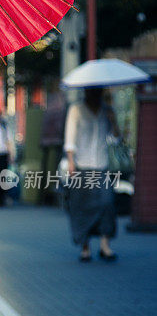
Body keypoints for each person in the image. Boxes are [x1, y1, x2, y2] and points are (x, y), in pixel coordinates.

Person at [63, 86, 120, 262]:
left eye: (98, 91)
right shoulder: (76, 109)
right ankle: (85, 247)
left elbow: (116, 139)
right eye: (92, 91)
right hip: (81, 166)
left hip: (101, 165)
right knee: (82, 208)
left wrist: (113, 120)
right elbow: (70, 137)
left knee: (107, 203)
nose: (95, 94)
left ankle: (105, 246)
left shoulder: (107, 110)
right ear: (86, 91)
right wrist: (71, 162)